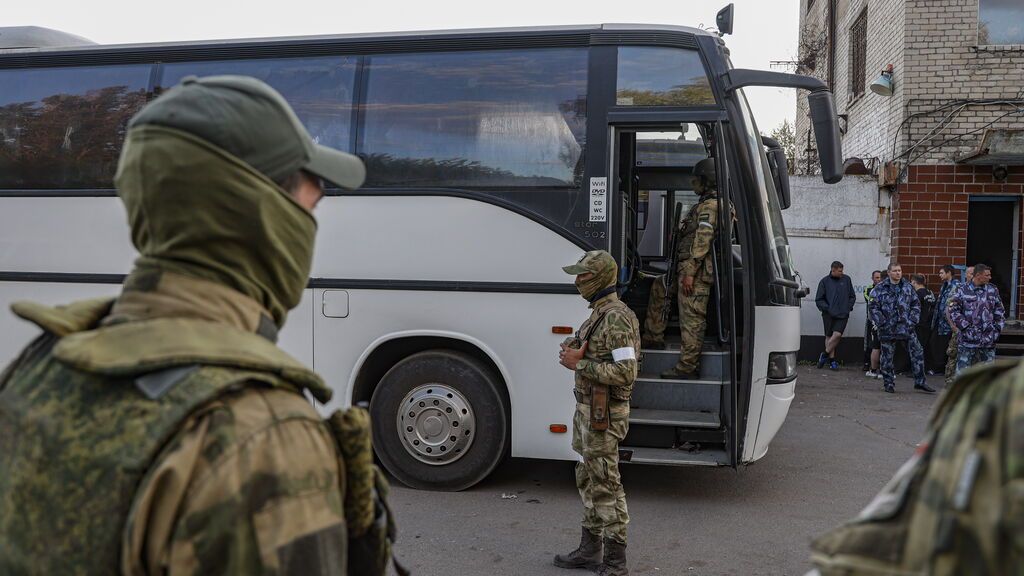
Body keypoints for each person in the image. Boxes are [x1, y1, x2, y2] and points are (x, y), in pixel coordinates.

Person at [0, 76, 385, 575]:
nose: (313, 222)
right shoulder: (260, 436)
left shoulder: (40, 368)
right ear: (265, 214)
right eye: (314, 200)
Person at [808, 359, 1024, 574]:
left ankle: (910, 380)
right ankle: (889, 382)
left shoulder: (994, 398)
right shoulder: (995, 399)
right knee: (892, 354)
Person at [556, 250, 641, 576]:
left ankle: (615, 562)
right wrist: (572, 348)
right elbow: (587, 346)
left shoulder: (617, 317)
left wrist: (581, 363)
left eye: (584, 276)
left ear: (603, 278)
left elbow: (626, 372)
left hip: (603, 414)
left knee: (605, 484)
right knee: (588, 478)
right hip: (589, 411)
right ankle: (589, 551)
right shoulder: (599, 314)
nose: (578, 282)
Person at [642, 157, 727, 380]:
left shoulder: (711, 206)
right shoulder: (705, 204)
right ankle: (653, 337)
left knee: (692, 319)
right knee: (660, 287)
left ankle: (687, 367)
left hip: (696, 273)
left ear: (707, 181)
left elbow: (702, 240)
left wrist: (689, 272)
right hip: (686, 268)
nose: (692, 184)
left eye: (696, 180)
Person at [869, 263, 934, 394]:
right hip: (888, 328)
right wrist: (882, 323)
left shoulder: (907, 287)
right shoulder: (880, 288)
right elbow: (873, 307)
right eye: (895, 271)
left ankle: (920, 382)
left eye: (899, 270)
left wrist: (912, 321)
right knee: (887, 357)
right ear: (888, 272)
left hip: (906, 327)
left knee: (917, 352)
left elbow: (916, 304)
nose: (898, 273)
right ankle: (888, 383)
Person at [948, 262, 1005, 375]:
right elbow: (953, 310)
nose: (990, 277)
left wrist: (997, 329)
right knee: (962, 374)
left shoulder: (993, 290)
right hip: (968, 340)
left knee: (987, 375)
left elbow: (1000, 311)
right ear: (978, 275)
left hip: (988, 340)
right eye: (987, 275)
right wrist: (965, 328)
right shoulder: (962, 290)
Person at [815, 261, 856, 370]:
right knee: (829, 336)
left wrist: (848, 307)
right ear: (833, 270)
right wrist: (828, 308)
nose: (842, 273)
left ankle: (824, 354)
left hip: (843, 314)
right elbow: (819, 299)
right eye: (840, 271)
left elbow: (852, 296)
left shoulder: (847, 279)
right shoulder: (824, 281)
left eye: (842, 271)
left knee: (837, 335)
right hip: (828, 314)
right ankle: (832, 361)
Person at [944, 265, 974, 385]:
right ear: (966, 275)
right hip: (959, 329)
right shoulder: (959, 288)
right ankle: (950, 382)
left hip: (973, 331)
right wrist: (953, 326)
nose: (972, 276)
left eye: (974, 273)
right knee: (953, 355)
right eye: (970, 273)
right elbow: (948, 308)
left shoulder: (982, 290)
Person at [929, 264, 960, 373]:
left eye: (942, 273)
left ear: (949, 273)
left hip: (948, 322)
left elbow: (951, 304)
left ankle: (942, 369)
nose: (940, 275)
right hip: (939, 321)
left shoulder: (955, 285)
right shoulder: (945, 285)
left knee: (944, 345)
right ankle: (938, 367)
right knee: (936, 344)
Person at [909, 273, 935, 367]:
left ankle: (917, 368)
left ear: (914, 282)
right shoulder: (930, 293)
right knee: (926, 347)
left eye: (911, 282)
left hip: (919, 324)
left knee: (917, 347)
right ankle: (927, 367)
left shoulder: (917, 294)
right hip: (928, 324)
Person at [861, 270, 883, 373]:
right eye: (877, 278)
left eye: (880, 278)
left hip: (883, 322)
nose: (879, 280)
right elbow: (870, 300)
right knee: (869, 342)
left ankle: (880, 366)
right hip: (871, 320)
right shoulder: (869, 289)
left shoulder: (885, 289)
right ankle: (866, 363)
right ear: (872, 279)